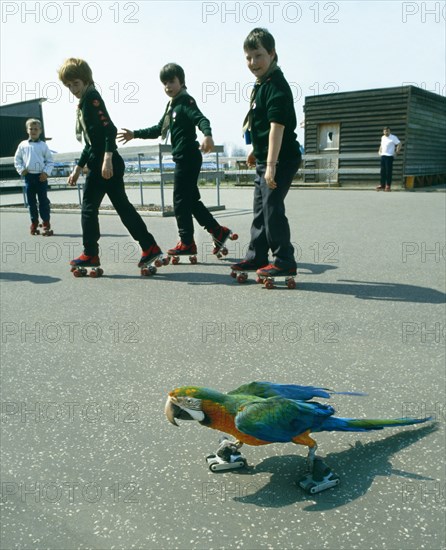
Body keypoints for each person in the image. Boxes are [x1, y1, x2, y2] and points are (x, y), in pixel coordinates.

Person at [117, 63, 235, 260]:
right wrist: (134, 134)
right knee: (191, 200)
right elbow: (158, 129)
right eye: (164, 83)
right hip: (183, 158)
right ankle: (217, 231)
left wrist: (207, 135)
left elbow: (201, 119)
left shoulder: (186, 102)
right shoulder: (172, 106)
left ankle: (187, 242)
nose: (168, 87)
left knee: (179, 201)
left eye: (172, 81)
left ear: (181, 81)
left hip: (189, 157)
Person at [58, 58, 162, 271]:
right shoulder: (86, 101)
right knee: (123, 208)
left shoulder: (92, 98)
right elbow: (90, 143)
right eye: (68, 86)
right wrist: (78, 168)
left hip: (104, 164)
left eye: (75, 84)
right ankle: (149, 246)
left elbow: (109, 130)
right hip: (103, 161)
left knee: (88, 209)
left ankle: (90, 254)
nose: (72, 89)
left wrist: (107, 160)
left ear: (86, 80)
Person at [231, 28, 302, 280]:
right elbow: (259, 127)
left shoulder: (277, 86)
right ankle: (257, 256)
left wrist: (271, 164)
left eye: (258, 55)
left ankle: (284, 260)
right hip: (266, 157)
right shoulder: (261, 85)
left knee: (272, 208)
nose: (253, 63)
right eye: (248, 58)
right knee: (260, 209)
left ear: (272, 54)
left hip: (282, 158)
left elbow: (276, 128)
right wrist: (256, 152)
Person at [14, 118, 54, 235]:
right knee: (31, 202)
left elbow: (50, 161)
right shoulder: (22, 145)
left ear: (40, 131)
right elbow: (17, 159)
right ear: (27, 130)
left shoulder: (43, 146)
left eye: (36, 129)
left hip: (41, 177)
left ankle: (46, 222)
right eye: (31, 129)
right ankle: (34, 222)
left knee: (43, 201)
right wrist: (21, 170)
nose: (33, 131)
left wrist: (46, 173)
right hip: (29, 177)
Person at [377, 127, 401, 191]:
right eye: (385, 131)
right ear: (383, 132)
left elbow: (399, 144)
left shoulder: (393, 137)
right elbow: (381, 145)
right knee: (382, 171)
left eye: (387, 131)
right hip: (383, 156)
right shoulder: (382, 137)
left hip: (389, 156)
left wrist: (397, 152)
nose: (386, 132)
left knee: (388, 172)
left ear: (389, 131)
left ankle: (388, 185)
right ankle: (382, 185)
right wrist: (379, 150)